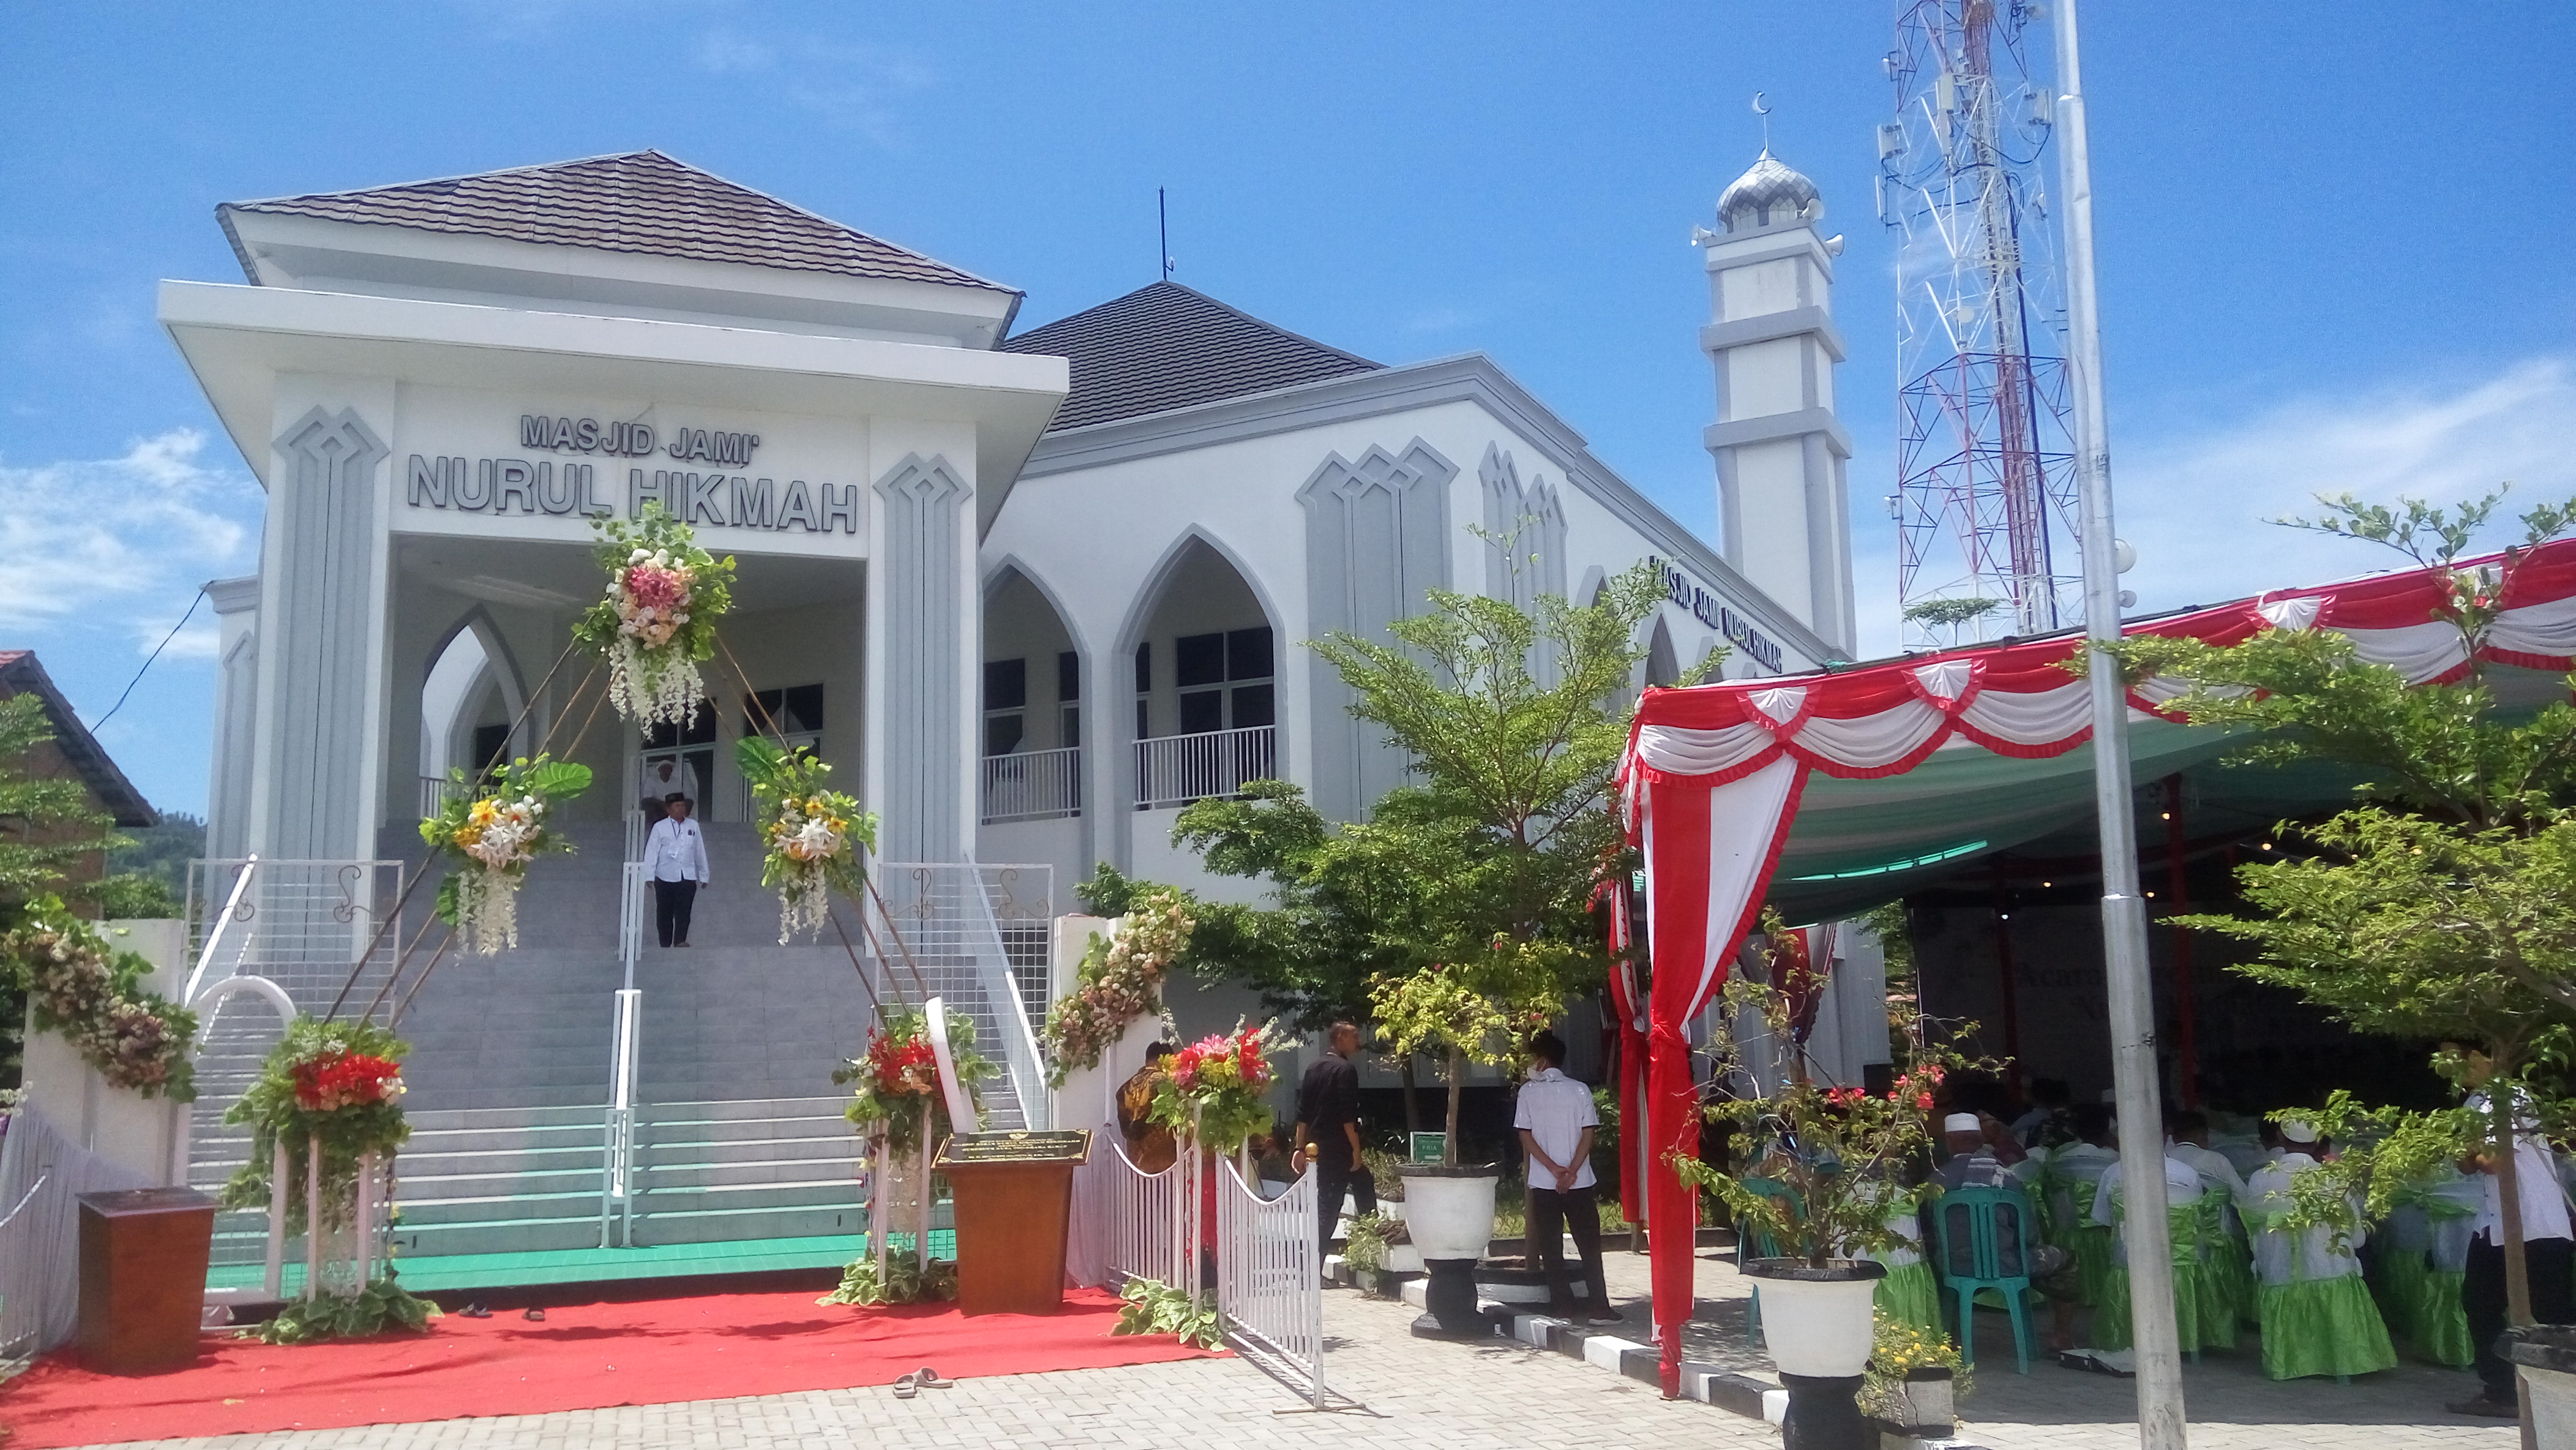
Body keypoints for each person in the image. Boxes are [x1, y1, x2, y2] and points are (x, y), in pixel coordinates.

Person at [2451, 1076, 2576, 1419]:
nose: (2449, 1069)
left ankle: (2519, 1393)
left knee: (2553, 1313)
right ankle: (2503, 1391)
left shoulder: (2497, 1099)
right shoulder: (2485, 1099)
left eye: (2454, 1057)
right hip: (2501, 1223)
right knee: (2483, 1302)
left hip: (2529, 1221)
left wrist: (2468, 1144)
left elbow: (2493, 1162)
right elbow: (2466, 1163)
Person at [1515, 1031, 1616, 1322]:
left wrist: (1552, 1169)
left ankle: (1562, 1305)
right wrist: (1571, 1170)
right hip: (1580, 1181)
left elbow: (1526, 1136)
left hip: (1543, 1182)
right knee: (1589, 1245)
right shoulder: (1580, 1090)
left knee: (1551, 1246)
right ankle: (1600, 1305)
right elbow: (1589, 1134)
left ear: (1543, 1060)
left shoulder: (1528, 1092)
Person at [1293, 1021, 1371, 1256]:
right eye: (1353, 1036)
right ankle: (1312, 1269)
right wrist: (1356, 1150)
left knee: (1364, 1183)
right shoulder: (1345, 1070)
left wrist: (1299, 1147)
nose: (1358, 1041)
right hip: (1338, 1149)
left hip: (1318, 1146)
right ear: (1340, 1038)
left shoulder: (1313, 1067)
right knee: (1328, 1207)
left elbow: (1303, 1114)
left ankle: (1371, 1237)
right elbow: (1348, 1118)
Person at [641, 792, 710, 949]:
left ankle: (680, 941)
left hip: (687, 875)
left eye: (683, 806)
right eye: (677, 806)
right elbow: (652, 851)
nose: (681, 809)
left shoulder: (693, 826)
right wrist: (649, 875)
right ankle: (665, 943)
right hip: (665, 876)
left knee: (684, 911)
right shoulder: (660, 827)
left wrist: (704, 875)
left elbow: (699, 850)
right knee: (664, 913)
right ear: (669, 809)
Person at [1115, 1042, 1177, 1173]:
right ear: (1164, 1059)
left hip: (1135, 1160)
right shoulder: (1164, 1080)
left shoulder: (1125, 1087)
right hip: (1163, 1159)